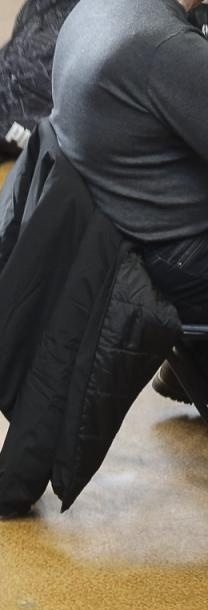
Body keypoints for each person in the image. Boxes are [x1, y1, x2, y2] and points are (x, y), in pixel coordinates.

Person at [50, 0, 208, 404]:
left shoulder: (100, 8)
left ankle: (192, 366)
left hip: (124, 237)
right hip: (176, 262)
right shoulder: (167, 47)